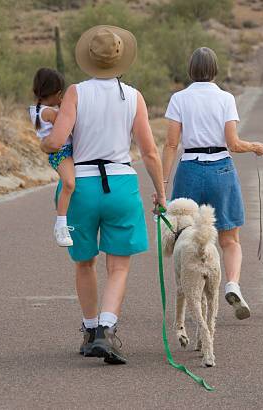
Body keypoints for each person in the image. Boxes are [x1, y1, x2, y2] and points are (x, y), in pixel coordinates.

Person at [40, 25, 166, 364]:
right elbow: (150, 152)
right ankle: (108, 330)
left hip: (81, 184)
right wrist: (161, 192)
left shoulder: (76, 94)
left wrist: (44, 142)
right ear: (121, 60)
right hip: (121, 183)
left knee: (84, 262)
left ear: (88, 60)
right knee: (119, 266)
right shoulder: (134, 96)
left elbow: (56, 140)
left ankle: (90, 329)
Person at [161, 47, 263, 320]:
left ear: (190, 70)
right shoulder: (225, 98)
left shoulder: (179, 98)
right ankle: (232, 284)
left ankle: (189, 295)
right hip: (221, 168)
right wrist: (253, 146)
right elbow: (233, 143)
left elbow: (171, 143)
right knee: (230, 238)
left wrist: (162, 181)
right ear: (215, 70)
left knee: (186, 236)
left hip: (190, 169)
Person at [29, 68, 75, 247]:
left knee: (72, 183)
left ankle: (61, 201)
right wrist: (67, 104)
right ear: (57, 93)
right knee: (70, 183)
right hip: (61, 152)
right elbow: (67, 123)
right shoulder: (49, 112)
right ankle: (61, 224)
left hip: (63, 151)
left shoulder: (38, 109)